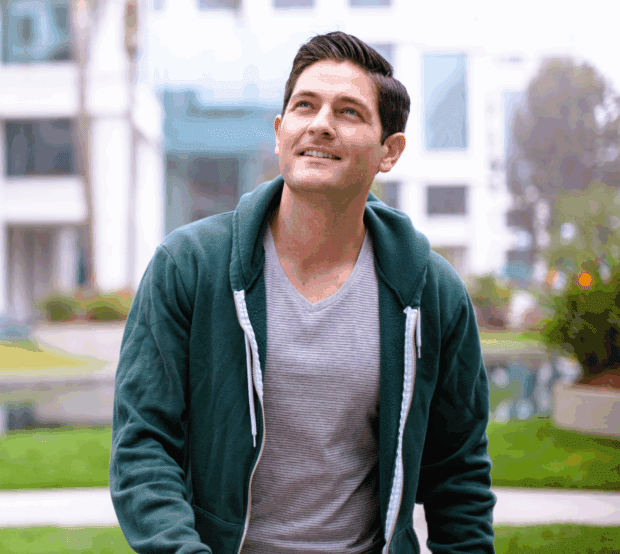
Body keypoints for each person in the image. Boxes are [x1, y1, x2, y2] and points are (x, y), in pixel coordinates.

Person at [110, 32, 495, 554]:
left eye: (349, 112)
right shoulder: (189, 267)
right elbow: (143, 449)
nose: (320, 124)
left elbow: (459, 475)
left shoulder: (431, 291)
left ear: (390, 151)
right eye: (304, 106)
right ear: (279, 132)